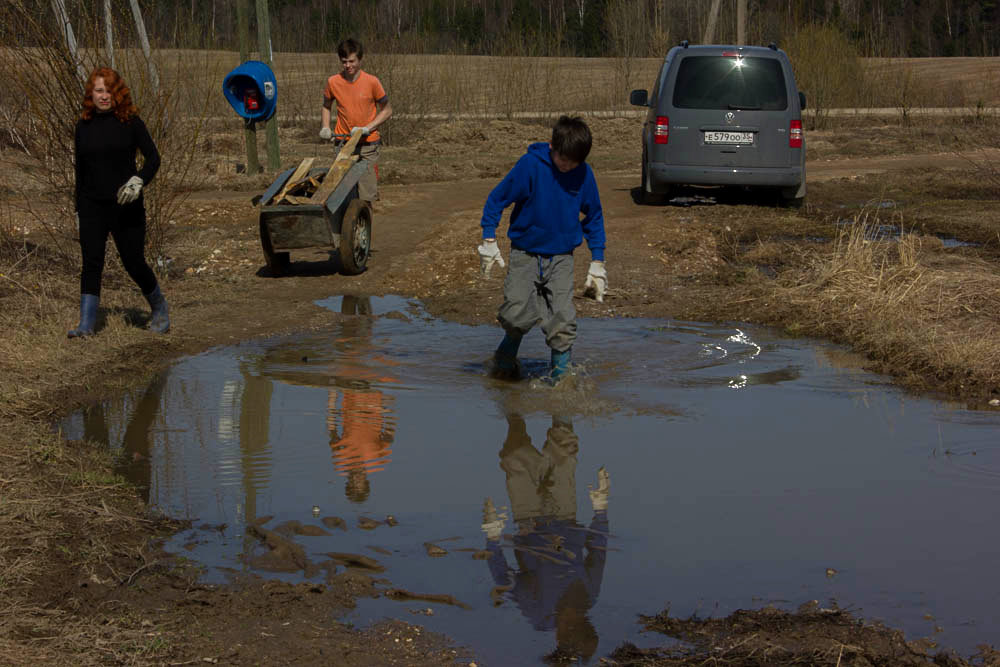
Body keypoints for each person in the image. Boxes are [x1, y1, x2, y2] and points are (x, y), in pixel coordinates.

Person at [477, 115, 608, 380]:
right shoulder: (530, 166)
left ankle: (561, 379)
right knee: (516, 315)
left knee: (562, 318)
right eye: (563, 159)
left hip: (561, 257)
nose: (568, 166)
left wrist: (598, 261)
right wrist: (489, 240)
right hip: (525, 253)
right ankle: (504, 361)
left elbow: (593, 215)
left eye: (575, 162)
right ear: (552, 146)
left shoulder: (583, 174)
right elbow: (496, 199)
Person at [481, 413, 610, 663]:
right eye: (578, 619)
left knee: (513, 456)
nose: (571, 615)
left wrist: (492, 537)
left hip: (529, 519)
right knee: (564, 450)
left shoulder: (538, 612)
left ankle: (515, 413)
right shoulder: (589, 596)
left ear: (559, 635)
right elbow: (598, 551)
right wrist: (601, 509)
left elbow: (504, 578)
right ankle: (562, 396)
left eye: (567, 624)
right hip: (565, 515)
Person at [70, 67, 167, 338]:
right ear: (91, 93)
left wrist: (139, 181)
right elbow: (81, 169)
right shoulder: (83, 125)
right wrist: (78, 207)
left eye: (109, 91)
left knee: (133, 261)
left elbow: (154, 159)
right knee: (91, 262)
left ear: (118, 93)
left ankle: (159, 308)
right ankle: (86, 325)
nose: (104, 96)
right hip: (91, 205)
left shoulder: (130, 121)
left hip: (126, 205)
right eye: (99, 90)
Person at [319, 38, 392, 204]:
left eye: (352, 61)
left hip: (367, 146)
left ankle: (363, 227)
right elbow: (326, 106)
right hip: (343, 144)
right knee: (342, 195)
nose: (348, 66)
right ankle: (346, 228)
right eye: (344, 62)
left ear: (360, 60)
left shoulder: (372, 82)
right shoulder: (333, 82)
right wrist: (325, 126)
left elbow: (387, 110)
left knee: (366, 196)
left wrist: (367, 128)